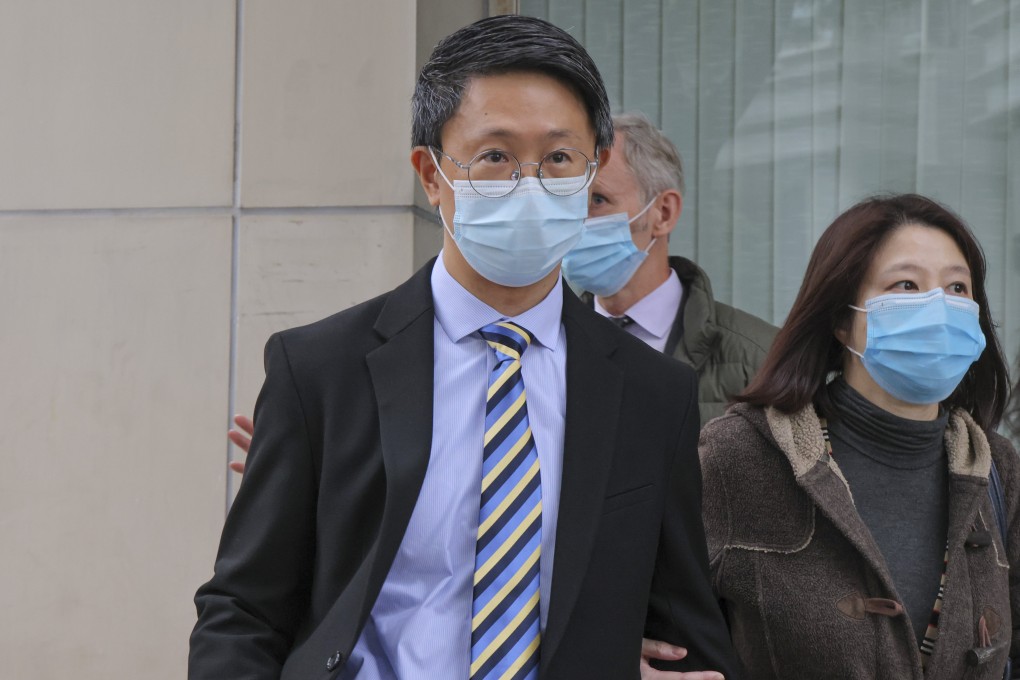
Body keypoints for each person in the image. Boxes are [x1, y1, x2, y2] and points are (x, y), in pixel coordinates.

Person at [189, 15, 738, 680]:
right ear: (431, 174)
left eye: (559, 159)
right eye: (495, 157)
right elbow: (244, 611)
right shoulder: (320, 372)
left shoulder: (653, 395)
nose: (529, 183)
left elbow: (683, 629)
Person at [697, 194, 1017, 678]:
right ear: (842, 321)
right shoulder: (740, 455)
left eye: (957, 287)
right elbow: (635, 612)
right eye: (906, 285)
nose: (938, 307)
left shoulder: (996, 467)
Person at [562, 112, 777, 424]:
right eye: (567, 202)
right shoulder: (541, 345)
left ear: (663, 213)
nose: (576, 221)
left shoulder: (759, 357)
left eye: (597, 199)